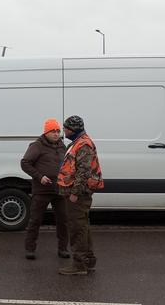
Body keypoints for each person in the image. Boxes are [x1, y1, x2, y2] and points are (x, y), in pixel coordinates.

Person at [57, 115, 104, 275]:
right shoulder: (78, 142)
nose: (64, 131)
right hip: (76, 193)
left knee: (77, 228)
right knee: (83, 227)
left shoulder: (83, 144)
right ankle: (88, 260)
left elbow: (83, 172)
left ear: (74, 129)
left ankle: (79, 265)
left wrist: (75, 193)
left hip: (78, 194)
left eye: (66, 129)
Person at [20, 119, 69, 260]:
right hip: (41, 190)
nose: (56, 134)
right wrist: (40, 177)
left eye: (58, 131)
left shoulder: (62, 146)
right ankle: (30, 249)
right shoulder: (37, 146)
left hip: (59, 190)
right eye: (52, 131)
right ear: (46, 132)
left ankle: (63, 249)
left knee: (63, 220)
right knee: (35, 220)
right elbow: (25, 163)